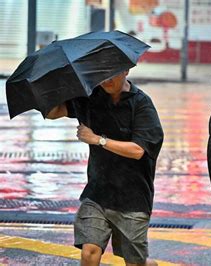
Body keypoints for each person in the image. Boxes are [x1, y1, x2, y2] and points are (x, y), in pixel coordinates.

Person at [47, 70, 164, 265]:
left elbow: (138, 150)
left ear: (126, 70)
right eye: (102, 75)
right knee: (89, 252)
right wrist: (57, 85)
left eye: (113, 74)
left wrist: (97, 140)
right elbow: (53, 113)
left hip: (133, 198)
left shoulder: (142, 104)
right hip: (97, 193)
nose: (106, 80)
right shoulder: (90, 97)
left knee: (135, 262)